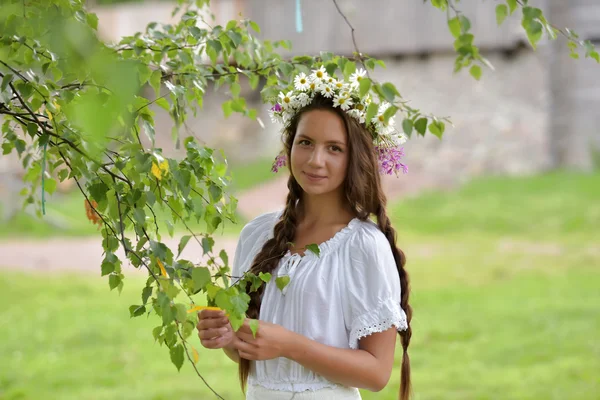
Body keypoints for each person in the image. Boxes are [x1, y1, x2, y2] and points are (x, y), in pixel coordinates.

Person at [197, 67, 412, 400]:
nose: (315, 160)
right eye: (306, 143)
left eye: (334, 148)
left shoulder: (363, 247)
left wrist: (288, 344)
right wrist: (226, 337)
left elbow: (377, 373)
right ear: (290, 145)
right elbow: (248, 350)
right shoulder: (258, 233)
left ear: (356, 157)